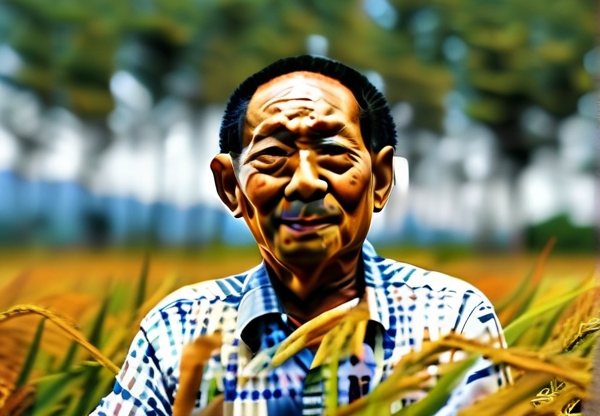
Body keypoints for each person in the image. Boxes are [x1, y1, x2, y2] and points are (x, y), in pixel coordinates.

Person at [91, 55, 509, 416]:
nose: (306, 182)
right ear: (231, 186)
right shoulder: (178, 328)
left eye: (333, 153)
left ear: (381, 180)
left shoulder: (453, 320)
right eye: (273, 155)